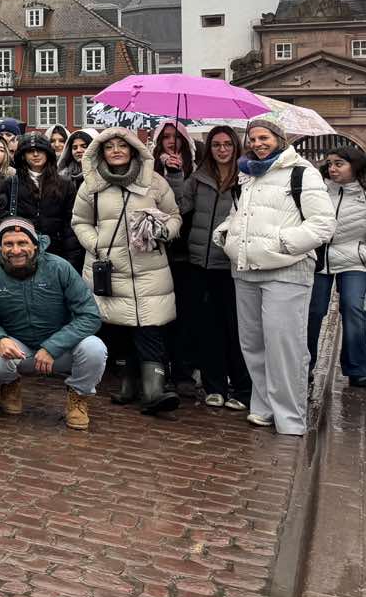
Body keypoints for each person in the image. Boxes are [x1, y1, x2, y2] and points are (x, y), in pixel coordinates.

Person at [215, 120, 335, 435]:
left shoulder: (302, 172)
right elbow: (238, 214)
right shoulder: (246, 174)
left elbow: (323, 223)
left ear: (279, 139)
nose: (257, 143)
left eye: (264, 137)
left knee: (285, 345)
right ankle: (264, 406)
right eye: (252, 138)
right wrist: (227, 235)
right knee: (253, 344)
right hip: (246, 269)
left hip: (286, 270)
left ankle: (290, 417)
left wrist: (282, 244)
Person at [71, 127, 184, 416]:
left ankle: (153, 390)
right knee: (120, 328)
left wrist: (165, 231)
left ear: (133, 149)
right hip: (110, 268)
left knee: (149, 326)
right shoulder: (91, 185)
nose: (116, 151)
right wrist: (96, 244)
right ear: (101, 152)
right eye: (110, 147)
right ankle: (128, 383)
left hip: (150, 268)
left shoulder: (154, 181)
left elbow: (174, 215)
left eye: (122, 145)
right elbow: (79, 221)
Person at [0, 219, 106, 430]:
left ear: (35, 244)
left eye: (22, 243)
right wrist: (0, 339)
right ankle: (10, 384)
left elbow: (90, 315)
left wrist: (53, 346)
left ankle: (78, 395)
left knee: (95, 348)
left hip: (60, 350)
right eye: (8, 244)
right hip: (21, 349)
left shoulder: (60, 267)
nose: (16, 250)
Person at [176, 125, 249, 408]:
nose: (222, 149)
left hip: (230, 264)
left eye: (227, 144)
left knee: (236, 328)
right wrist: (175, 175)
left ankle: (242, 388)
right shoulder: (198, 178)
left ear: (235, 146)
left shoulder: (246, 178)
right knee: (208, 328)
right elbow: (181, 208)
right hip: (199, 264)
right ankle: (214, 386)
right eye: (216, 145)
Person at [310, 144, 366, 387]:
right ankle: (305, 365)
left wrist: (363, 252)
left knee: (353, 307)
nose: (332, 168)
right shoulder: (319, 190)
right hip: (320, 259)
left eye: (339, 164)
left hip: (354, 260)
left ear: (354, 166)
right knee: (313, 311)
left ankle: (357, 368)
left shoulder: (364, 194)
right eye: (330, 164)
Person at [153, 122, 199, 394]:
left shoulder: (195, 171)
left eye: (177, 137)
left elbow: (183, 210)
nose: (172, 142)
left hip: (187, 254)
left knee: (185, 315)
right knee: (159, 316)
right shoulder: (150, 171)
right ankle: (158, 370)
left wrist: (177, 175)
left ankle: (183, 370)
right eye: (166, 137)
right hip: (157, 254)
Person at [0, 131, 80, 268]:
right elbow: (0, 221)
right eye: (30, 151)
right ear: (23, 155)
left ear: (48, 153)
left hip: (57, 254)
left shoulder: (65, 185)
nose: (36, 154)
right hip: (20, 254)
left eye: (40, 150)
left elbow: (70, 225)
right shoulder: (9, 184)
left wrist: (71, 260)